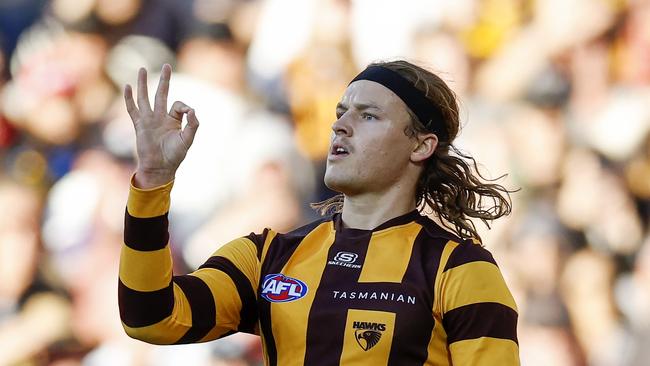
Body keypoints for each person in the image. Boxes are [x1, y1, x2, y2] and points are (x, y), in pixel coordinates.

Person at [118, 60, 520, 365]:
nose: (340, 126)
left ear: (421, 146)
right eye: (341, 112)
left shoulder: (461, 269)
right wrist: (152, 184)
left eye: (368, 115)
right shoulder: (268, 256)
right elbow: (150, 317)